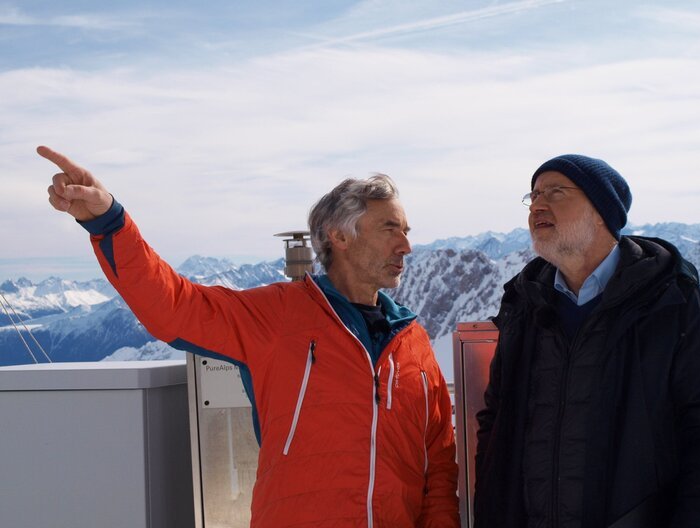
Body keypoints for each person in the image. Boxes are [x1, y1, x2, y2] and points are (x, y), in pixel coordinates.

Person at [38, 146, 459, 528]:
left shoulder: (413, 342)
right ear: (340, 236)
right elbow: (173, 307)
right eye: (390, 229)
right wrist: (109, 221)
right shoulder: (277, 315)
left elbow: (438, 462)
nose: (406, 245)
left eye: (407, 231)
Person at [474, 154, 700, 528]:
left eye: (556, 192)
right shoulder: (525, 305)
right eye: (534, 195)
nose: (538, 204)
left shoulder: (673, 301)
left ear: (602, 211)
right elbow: (496, 421)